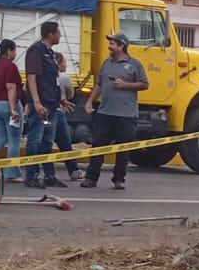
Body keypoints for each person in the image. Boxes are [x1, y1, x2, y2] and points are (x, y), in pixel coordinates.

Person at [82, 33, 148, 190]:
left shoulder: (135, 64)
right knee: (98, 146)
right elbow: (99, 84)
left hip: (126, 114)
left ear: (121, 46)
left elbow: (145, 84)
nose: (109, 46)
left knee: (123, 148)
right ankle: (91, 178)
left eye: (112, 44)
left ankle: (119, 179)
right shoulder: (107, 62)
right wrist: (90, 101)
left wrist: (125, 85)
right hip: (105, 112)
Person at [22, 21, 66, 189]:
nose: (60, 35)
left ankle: (49, 176)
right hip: (42, 104)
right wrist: (36, 102)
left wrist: (60, 99)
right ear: (50, 34)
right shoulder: (36, 51)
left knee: (47, 141)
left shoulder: (50, 53)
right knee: (35, 140)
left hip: (52, 104)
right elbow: (32, 78)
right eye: (58, 32)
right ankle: (31, 176)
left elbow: (52, 79)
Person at [49, 52, 82, 180]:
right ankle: (73, 170)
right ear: (58, 63)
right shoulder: (64, 77)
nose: (66, 65)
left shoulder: (45, 76)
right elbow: (71, 94)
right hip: (58, 112)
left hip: (45, 111)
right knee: (65, 142)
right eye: (64, 62)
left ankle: (41, 172)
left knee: (44, 143)